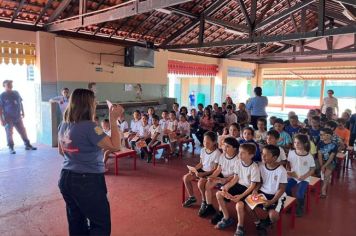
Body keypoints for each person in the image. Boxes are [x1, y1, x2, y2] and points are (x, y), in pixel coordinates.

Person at [58, 88, 124, 235]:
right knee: (100, 225)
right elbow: (115, 146)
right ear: (88, 104)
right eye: (94, 101)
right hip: (87, 181)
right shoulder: (91, 127)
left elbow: (61, 151)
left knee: (76, 222)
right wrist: (113, 119)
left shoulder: (64, 124)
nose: (96, 103)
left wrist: (77, 158)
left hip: (66, 178)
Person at [214, 143, 260, 234]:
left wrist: (241, 196)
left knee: (239, 205)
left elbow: (252, 186)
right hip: (238, 185)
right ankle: (226, 218)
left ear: (251, 155)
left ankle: (240, 226)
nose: (239, 155)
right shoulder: (238, 162)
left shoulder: (254, 167)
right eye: (239, 152)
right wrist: (226, 187)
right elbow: (235, 179)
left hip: (247, 190)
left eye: (243, 153)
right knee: (219, 193)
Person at [199, 137, 240, 217]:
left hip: (232, 179)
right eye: (224, 145)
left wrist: (225, 180)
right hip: (223, 176)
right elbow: (218, 169)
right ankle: (209, 206)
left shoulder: (237, 159)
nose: (224, 148)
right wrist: (212, 176)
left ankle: (221, 212)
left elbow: (236, 175)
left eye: (227, 146)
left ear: (235, 149)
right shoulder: (222, 155)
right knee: (208, 183)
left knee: (223, 190)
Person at [252, 145, 287, 235]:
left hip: (276, 196)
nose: (262, 156)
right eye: (262, 154)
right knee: (247, 206)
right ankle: (259, 224)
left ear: (274, 158)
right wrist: (256, 190)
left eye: (266, 155)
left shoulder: (281, 170)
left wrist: (272, 201)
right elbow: (260, 182)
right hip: (262, 193)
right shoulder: (261, 166)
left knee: (273, 216)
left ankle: (268, 222)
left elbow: (281, 189)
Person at [182, 131, 221, 208]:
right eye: (204, 141)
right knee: (186, 178)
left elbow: (215, 169)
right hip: (202, 170)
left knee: (200, 183)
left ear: (214, 142)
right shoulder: (203, 150)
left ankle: (204, 201)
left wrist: (203, 174)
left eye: (208, 142)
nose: (205, 143)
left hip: (210, 173)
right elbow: (201, 164)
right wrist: (194, 169)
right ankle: (192, 197)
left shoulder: (217, 153)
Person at [0, 80, 37, 154]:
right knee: (9, 133)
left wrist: (23, 112)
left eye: (11, 84)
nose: (10, 85)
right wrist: (1, 120)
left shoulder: (16, 93)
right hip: (8, 118)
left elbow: (20, 103)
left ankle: (27, 145)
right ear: (4, 86)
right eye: (8, 85)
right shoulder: (2, 95)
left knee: (23, 131)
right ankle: (11, 148)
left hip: (18, 117)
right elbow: (0, 108)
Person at [286, 134, 315, 217]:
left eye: (298, 143)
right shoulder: (291, 153)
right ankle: (292, 202)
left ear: (305, 144)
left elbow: (312, 169)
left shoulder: (309, 156)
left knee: (299, 193)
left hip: (304, 178)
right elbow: (288, 164)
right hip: (293, 176)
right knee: (286, 188)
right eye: (295, 142)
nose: (296, 144)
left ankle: (300, 206)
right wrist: (288, 172)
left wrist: (304, 177)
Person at [318, 128, 338, 198]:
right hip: (322, 161)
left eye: (322, 134)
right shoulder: (320, 143)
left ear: (328, 136)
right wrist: (321, 166)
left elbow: (331, 158)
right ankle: (314, 184)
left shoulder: (334, 145)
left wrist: (324, 166)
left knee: (326, 174)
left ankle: (323, 189)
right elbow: (319, 155)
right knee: (313, 169)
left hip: (331, 161)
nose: (320, 136)